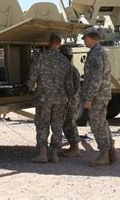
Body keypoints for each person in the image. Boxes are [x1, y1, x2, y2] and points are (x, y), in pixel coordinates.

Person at [27, 34, 75, 163]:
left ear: (49, 43)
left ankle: (42, 153)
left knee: (42, 124)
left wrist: (29, 88)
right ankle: (54, 154)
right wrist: (70, 98)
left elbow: (32, 77)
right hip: (60, 99)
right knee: (57, 126)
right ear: (59, 44)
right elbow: (69, 83)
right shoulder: (65, 61)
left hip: (44, 98)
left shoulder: (40, 58)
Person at [81, 26, 117, 166]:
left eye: (84, 39)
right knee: (103, 123)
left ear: (89, 38)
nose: (84, 42)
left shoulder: (96, 54)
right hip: (102, 94)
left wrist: (89, 97)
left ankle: (104, 155)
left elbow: (96, 78)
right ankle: (111, 152)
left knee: (97, 125)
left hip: (97, 96)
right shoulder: (99, 51)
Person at [59, 45, 82, 158]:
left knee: (68, 123)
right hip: (72, 99)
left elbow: (71, 87)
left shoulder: (68, 69)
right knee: (69, 122)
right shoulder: (72, 68)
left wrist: (69, 99)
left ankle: (75, 148)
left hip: (70, 100)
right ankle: (74, 147)